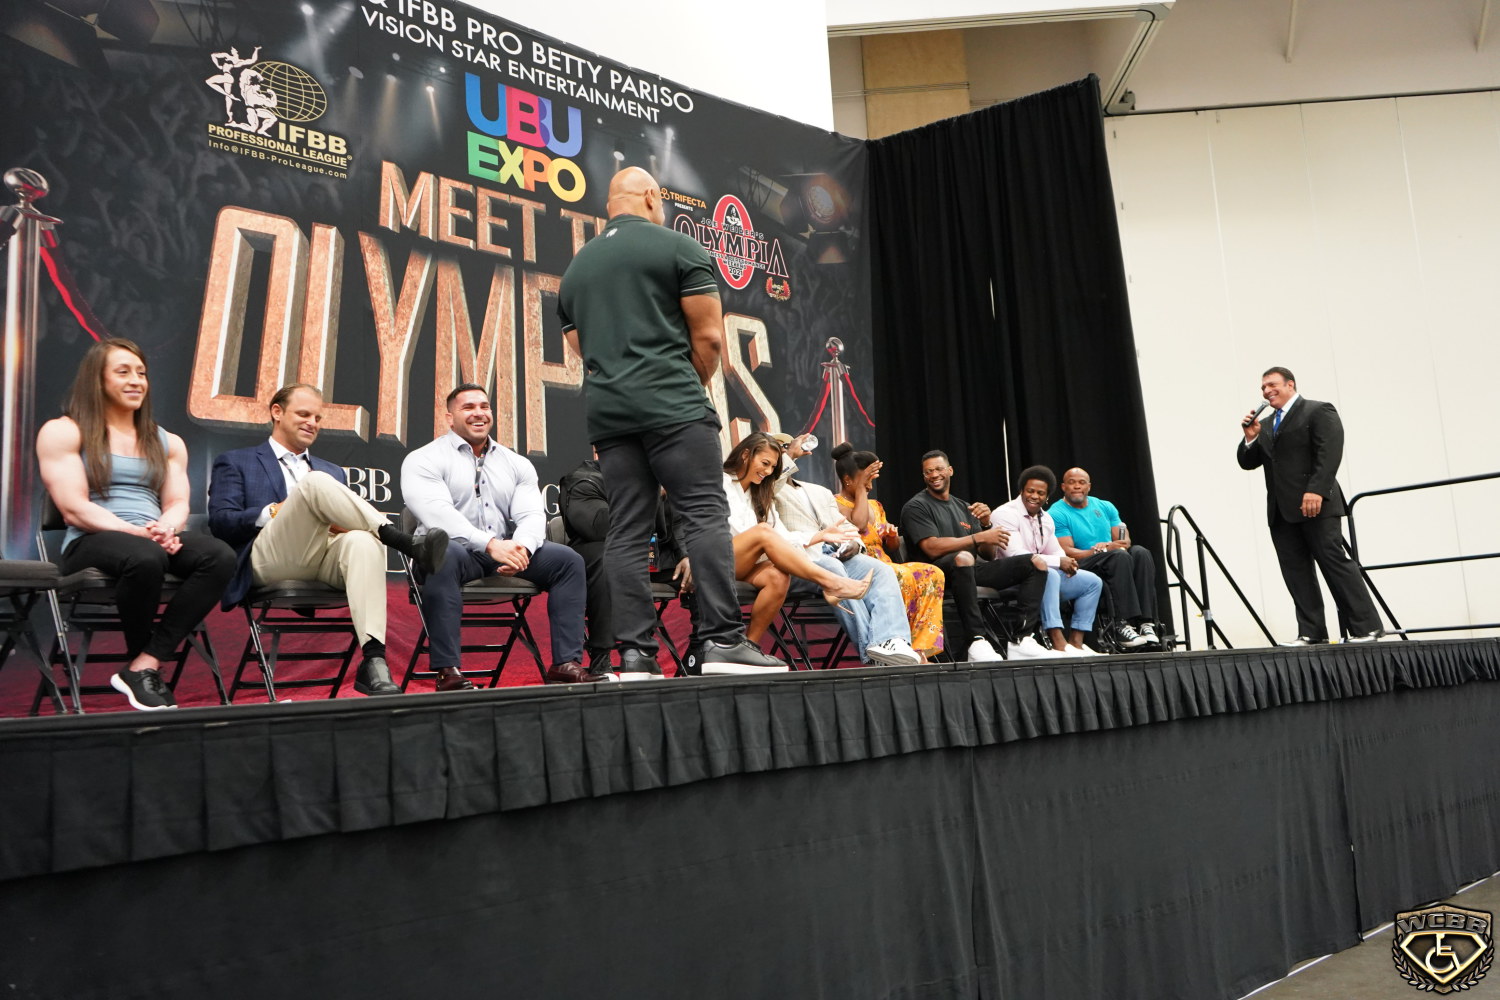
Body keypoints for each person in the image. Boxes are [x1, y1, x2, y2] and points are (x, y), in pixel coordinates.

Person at [557, 165, 784, 675]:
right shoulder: (679, 248)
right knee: (704, 514)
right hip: (674, 404)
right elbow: (710, 338)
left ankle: (636, 654)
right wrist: (689, 384)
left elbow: (581, 347)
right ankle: (721, 641)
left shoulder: (575, 271)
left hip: (611, 415)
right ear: (651, 197)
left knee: (626, 529)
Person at [209, 383, 449, 697]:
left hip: (321, 556)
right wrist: (274, 511)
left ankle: (373, 661)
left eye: (318, 418)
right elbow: (221, 522)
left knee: (362, 540)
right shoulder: (237, 461)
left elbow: (342, 523)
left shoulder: (332, 471)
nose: (312, 423)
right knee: (313, 483)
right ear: (277, 412)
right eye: (304, 414)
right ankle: (403, 541)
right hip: (269, 559)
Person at [36, 338, 236, 711]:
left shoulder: (168, 442)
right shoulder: (64, 431)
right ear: (97, 380)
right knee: (145, 556)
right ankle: (140, 663)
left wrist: (166, 528)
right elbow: (74, 509)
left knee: (220, 556)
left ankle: (145, 664)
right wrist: (140, 533)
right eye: (123, 372)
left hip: (151, 537)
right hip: (92, 540)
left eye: (141, 373)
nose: (136, 381)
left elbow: (177, 503)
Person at [402, 384, 597, 685]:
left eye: (484, 406)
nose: (479, 413)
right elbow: (437, 515)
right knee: (442, 552)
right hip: (452, 554)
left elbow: (531, 515)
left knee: (568, 561)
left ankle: (566, 664)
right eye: (468, 407)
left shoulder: (516, 463)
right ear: (449, 417)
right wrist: (491, 545)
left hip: (501, 555)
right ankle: (447, 670)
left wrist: (522, 549)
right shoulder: (423, 459)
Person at [1237, 367, 1383, 645]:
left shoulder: (1317, 411)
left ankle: (1367, 627)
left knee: (1334, 562)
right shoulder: (1264, 424)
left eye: (1272, 385)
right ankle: (1311, 632)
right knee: (1296, 572)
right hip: (1281, 510)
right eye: (1263, 387)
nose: (1266, 391)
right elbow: (1248, 462)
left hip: (1316, 505)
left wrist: (1316, 490)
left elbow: (1329, 452)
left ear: (1290, 384)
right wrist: (1251, 436)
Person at [720, 433, 874, 663]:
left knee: (778, 576)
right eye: (765, 463)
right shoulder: (721, 482)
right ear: (745, 455)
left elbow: (781, 536)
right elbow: (756, 534)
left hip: (745, 564)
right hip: (718, 560)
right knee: (763, 532)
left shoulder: (760, 494)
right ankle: (832, 583)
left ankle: (747, 647)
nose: (768, 471)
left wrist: (818, 536)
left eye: (772, 467)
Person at [770, 438, 920, 666]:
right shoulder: (768, 488)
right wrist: (789, 456)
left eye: (786, 448)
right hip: (800, 557)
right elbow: (769, 487)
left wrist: (854, 544)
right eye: (780, 449)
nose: (786, 451)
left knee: (880, 570)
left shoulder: (818, 491)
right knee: (833, 569)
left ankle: (889, 640)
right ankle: (872, 654)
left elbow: (847, 526)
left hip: (835, 552)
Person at [900, 451, 1055, 661]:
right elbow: (931, 548)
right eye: (928, 472)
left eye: (938, 469)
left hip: (969, 570)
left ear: (950, 471)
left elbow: (988, 555)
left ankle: (1022, 639)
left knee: (1036, 563)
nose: (934, 475)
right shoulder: (916, 506)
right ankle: (976, 640)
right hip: (933, 574)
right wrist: (977, 537)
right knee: (963, 557)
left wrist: (986, 525)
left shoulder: (965, 507)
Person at [558, 455, 692, 679]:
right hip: (602, 557)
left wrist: (687, 556)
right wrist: (646, 493)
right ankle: (601, 659)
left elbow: (677, 523)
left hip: (650, 559)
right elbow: (602, 528)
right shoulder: (583, 480)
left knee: (700, 565)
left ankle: (703, 649)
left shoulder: (656, 477)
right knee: (605, 556)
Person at [831, 443, 946, 661]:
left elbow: (891, 548)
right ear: (848, 480)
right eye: (866, 480)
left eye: (871, 480)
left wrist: (892, 538)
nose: (870, 485)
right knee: (901, 576)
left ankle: (919, 648)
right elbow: (860, 524)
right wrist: (860, 489)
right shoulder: (835, 504)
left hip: (886, 563)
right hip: (861, 569)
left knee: (932, 574)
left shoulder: (876, 505)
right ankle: (897, 642)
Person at [991, 466, 1103, 657]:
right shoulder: (1005, 513)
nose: (1035, 496)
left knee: (1092, 582)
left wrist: (1068, 563)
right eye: (1030, 491)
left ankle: (1076, 643)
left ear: (1047, 497)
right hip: (1010, 577)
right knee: (1048, 573)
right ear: (1022, 491)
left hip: (1041, 575)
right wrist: (1059, 561)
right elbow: (1016, 555)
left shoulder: (1046, 519)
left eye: (1041, 493)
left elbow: (1057, 552)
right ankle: (1058, 641)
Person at [1049, 467, 1161, 650]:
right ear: (1063, 487)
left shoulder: (1105, 506)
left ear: (1089, 486)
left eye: (1081, 482)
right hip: (1082, 562)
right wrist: (1099, 551)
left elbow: (1124, 541)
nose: (1077, 486)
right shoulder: (1057, 513)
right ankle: (1121, 624)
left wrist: (1111, 546)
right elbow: (1067, 551)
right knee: (1118, 556)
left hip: (1111, 557)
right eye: (1071, 482)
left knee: (1141, 553)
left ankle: (1145, 623)